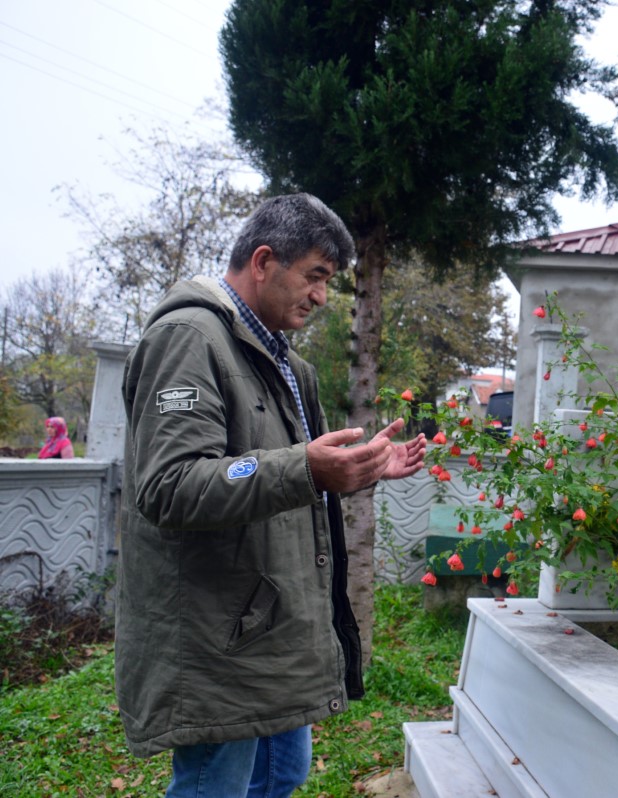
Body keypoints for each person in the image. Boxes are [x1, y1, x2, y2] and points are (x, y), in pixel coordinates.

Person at [115, 193, 426, 797]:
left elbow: (289, 475)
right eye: (314, 277)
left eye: (328, 282)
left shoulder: (283, 362)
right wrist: (307, 470)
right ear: (263, 261)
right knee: (216, 785)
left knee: (283, 773)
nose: (320, 297)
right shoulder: (188, 338)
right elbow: (171, 485)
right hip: (216, 633)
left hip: (270, 626)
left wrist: (356, 471)